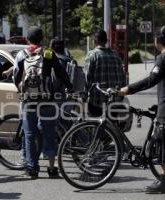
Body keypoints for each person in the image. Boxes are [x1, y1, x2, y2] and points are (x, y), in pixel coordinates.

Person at [13, 26, 73, 179]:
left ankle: (32, 168)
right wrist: (69, 87)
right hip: (47, 100)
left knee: (30, 134)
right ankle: (52, 168)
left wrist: (22, 90)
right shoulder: (48, 53)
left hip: (29, 101)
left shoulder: (21, 54)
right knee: (49, 133)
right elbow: (60, 71)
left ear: (27, 38)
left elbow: (15, 76)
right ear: (42, 39)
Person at [119, 27, 165, 194]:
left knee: (162, 142)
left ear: (158, 41)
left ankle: (164, 181)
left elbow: (151, 80)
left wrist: (128, 89)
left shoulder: (163, 58)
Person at [85, 30, 126, 116]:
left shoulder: (92, 55)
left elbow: (87, 78)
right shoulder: (116, 55)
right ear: (106, 41)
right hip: (114, 100)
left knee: (95, 126)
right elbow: (123, 78)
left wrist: (84, 95)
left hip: (97, 101)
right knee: (112, 127)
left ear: (94, 41)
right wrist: (121, 96)